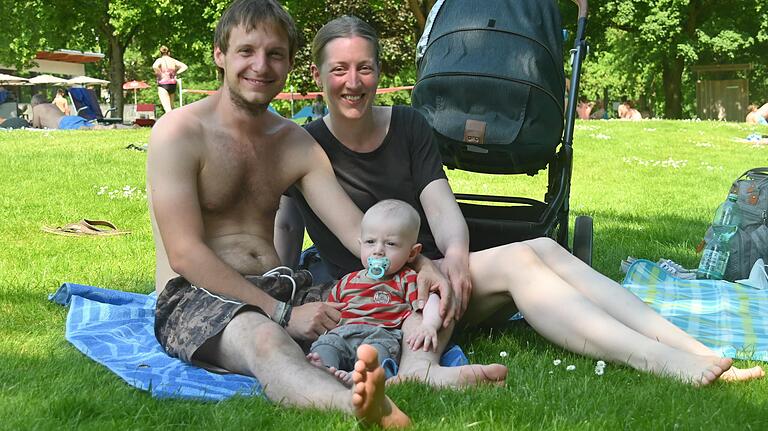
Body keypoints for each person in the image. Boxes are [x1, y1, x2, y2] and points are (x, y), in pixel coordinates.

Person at [276, 15, 765, 386]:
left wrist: (458, 262)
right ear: (319, 75)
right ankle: (656, 360)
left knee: (547, 249)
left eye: (365, 68)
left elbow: (442, 205)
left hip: (432, 276)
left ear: (380, 72)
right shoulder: (306, 144)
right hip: (376, 299)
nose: (353, 82)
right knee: (523, 264)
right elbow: (305, 225)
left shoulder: (406, 125)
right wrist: (282, 299)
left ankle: (690, 347)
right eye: (339, 69)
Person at [145, 1, 486, 427]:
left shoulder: (294, 143)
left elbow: (354, 231)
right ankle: (360, 406)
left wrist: (422, 266)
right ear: (220, 54)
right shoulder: (179, 132)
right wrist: (281, 313)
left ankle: (420, 372)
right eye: (246, 51)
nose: (261, 65)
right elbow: (185, 254)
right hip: (201, 293)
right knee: (266, 339)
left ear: (289, 63)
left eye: (274, 54)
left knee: (384, 301)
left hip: (284, 286)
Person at [308, 200, 443, 384]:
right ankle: (323, 369)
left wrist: (429, 325)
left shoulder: (406, 278)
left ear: (412, 253)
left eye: (391, 244)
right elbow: (330, 311)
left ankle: (361, 376)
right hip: (343, 333)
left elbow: (432, 300)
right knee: (326, 346)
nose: (378, 251)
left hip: (380, 334)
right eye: (370, 242)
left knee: (377, 352)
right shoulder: (348, 280)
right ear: (360, 244)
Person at [152, 45, 188, 113]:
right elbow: (185, 66)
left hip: (163, 84)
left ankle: (171, 122)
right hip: (172, 84)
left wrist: (160, 74)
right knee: (172, 107)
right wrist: (176, 73)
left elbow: (154, 66)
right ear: (169, 53)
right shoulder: (173, 60)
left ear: (160, 53)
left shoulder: (160, 60)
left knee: (168, 110)